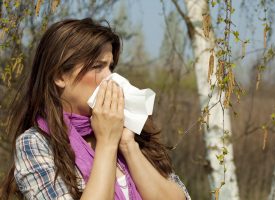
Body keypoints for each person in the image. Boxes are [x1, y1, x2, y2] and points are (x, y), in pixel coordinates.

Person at [0, 18, 191, 200]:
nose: (109, 77)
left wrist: (128, 146)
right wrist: (107, 143)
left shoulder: (132, 132)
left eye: (110, 67)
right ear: (59, 76)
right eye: (97, 67)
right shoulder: (36, 144)